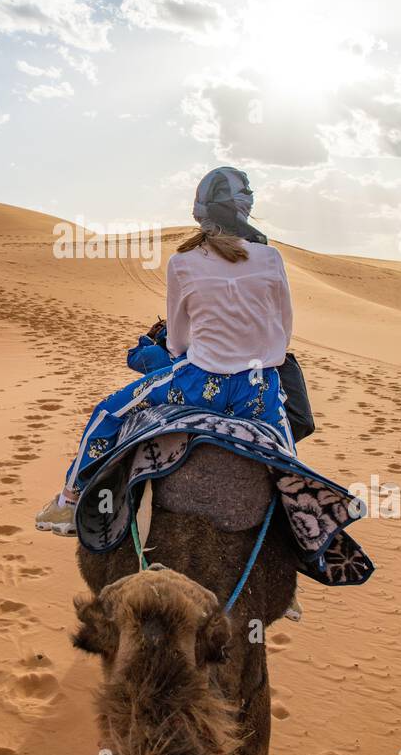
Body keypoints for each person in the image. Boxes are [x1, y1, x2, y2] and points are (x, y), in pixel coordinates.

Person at [35, 167, 297, 536]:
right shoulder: (270, 259)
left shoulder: (182, 263)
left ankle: (70, 500)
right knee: (290, 463)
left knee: (107, 413)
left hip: (196, 384)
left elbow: (177, 340)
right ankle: (302, 532)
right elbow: (284, 331)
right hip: (258, 390)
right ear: (244, 208)